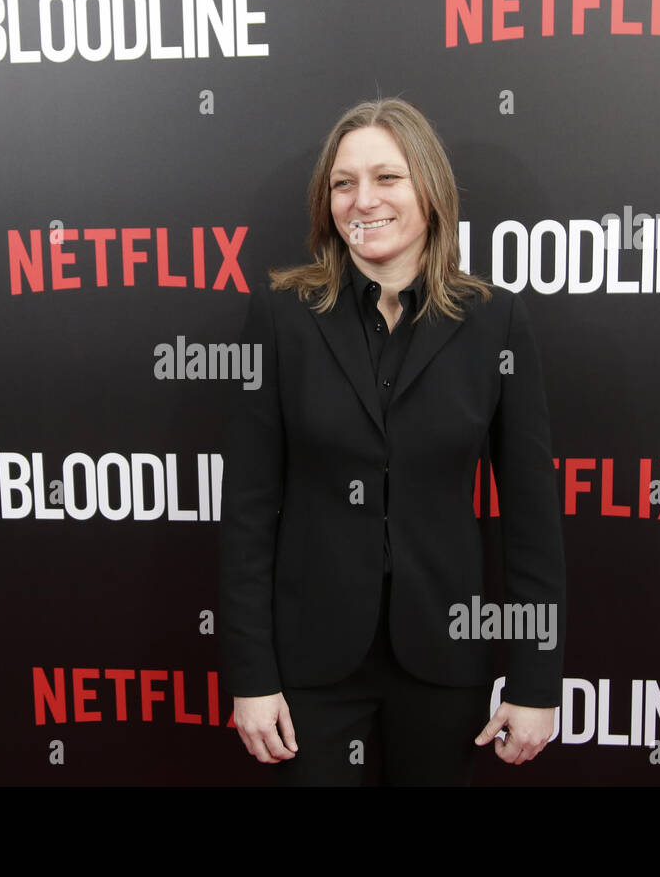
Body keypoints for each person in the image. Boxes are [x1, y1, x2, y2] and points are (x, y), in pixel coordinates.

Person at [218, 97, 567, 785]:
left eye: (387, 178)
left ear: (429, 192)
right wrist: (250, 675)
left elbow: (532, 522)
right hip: (309, 666)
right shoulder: (281, 318)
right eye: (344, 183)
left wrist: (536, 680)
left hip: (445, 657)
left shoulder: (494, 321)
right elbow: (247, 512)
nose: (362, 199)